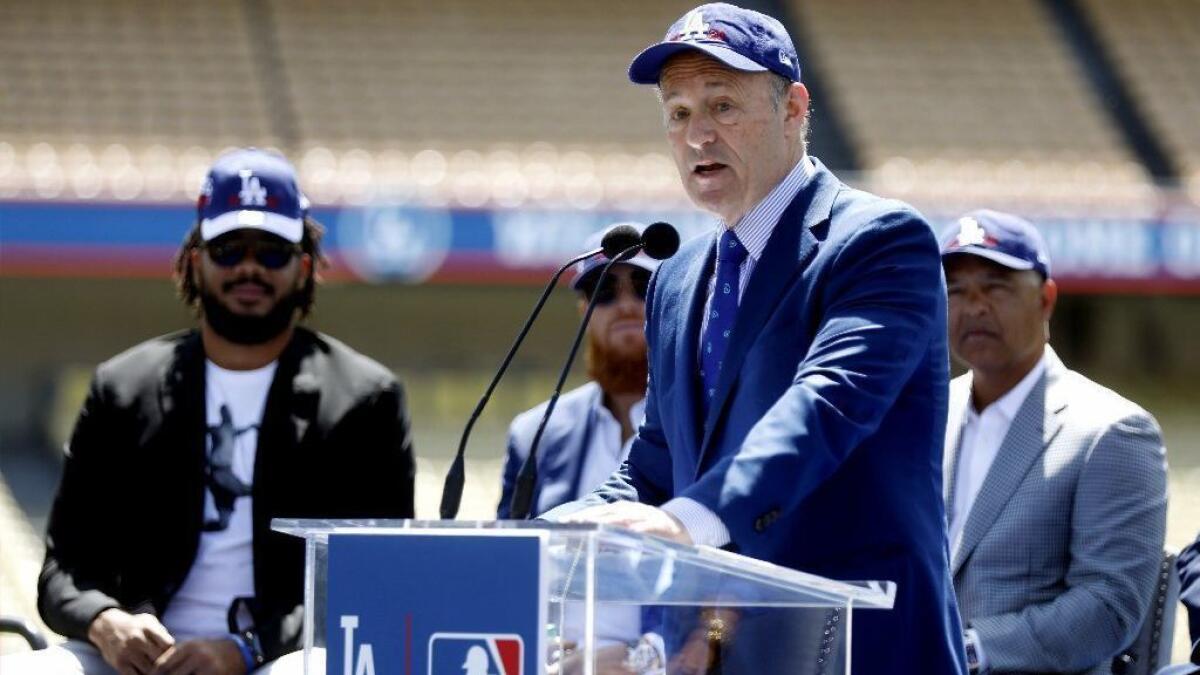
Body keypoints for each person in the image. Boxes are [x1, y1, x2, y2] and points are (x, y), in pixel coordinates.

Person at [542, 3, 966, 672]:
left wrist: (692, 517)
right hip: (712, 653)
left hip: (858, 648)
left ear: (795, 108)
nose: (697, 135)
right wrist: (558, 534)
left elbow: (822, 409)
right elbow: (656, 461)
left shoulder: (880, 243)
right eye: (678, 114)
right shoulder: (677, 279)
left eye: (722, 106)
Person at [3, 148, 416, 675]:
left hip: (283, 657)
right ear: (196, 262)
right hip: (139, 658)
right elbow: (63, 571)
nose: (248, 267)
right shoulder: (122, 387)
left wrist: (245, 649)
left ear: (303, 267)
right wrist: (107, 622)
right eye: (228, 249)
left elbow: (374, 581)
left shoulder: (365, 399)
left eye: (271, 252)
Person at [939, 209, 1168, 674]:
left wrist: (969, 651)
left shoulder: (1113, 431)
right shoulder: (925, 413)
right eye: (956, 290)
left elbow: (1108, 607)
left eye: (996, 287)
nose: (975, 306)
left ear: (1046, 299)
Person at [498, 226, 662, 674]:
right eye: (604, 291)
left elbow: (729, 587)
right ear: (584, 310)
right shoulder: (535, 432)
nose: (625, 304)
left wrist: (642, 660)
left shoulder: (707, 428)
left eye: (644, 287)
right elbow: (505, 572)